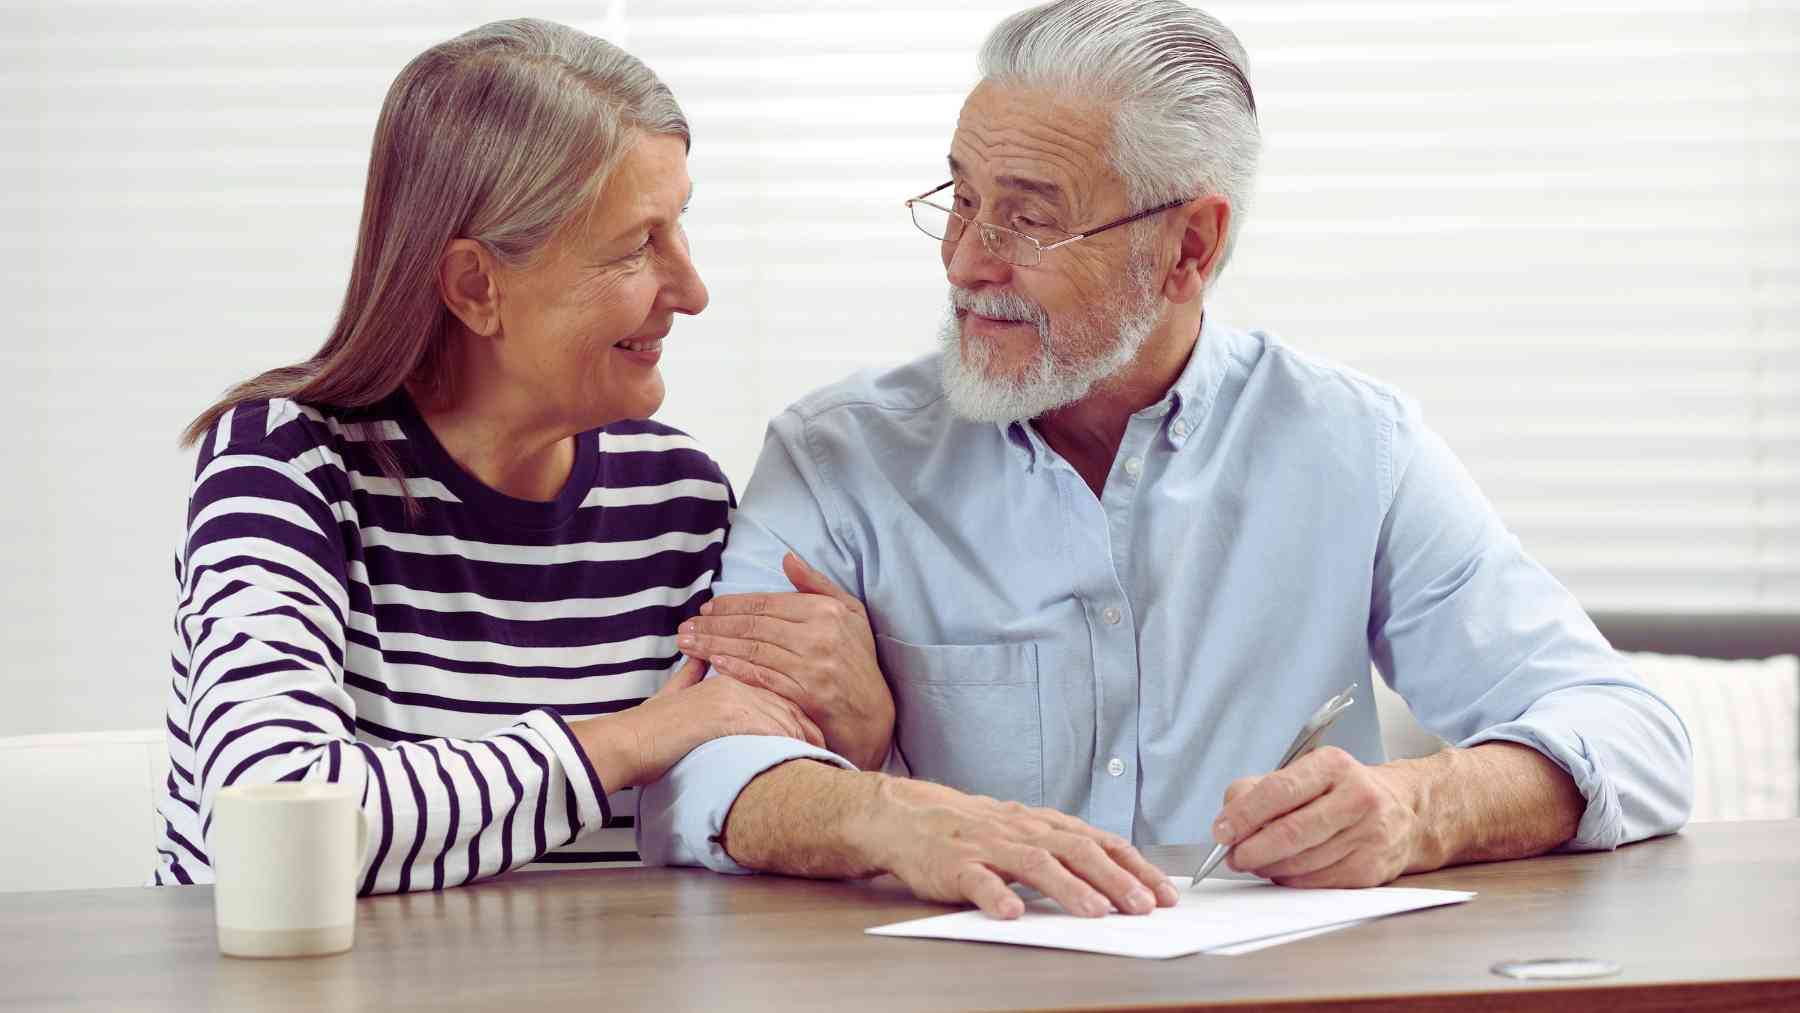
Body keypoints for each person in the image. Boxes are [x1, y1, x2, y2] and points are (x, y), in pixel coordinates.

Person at [641, 0, 1693, 921]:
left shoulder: (1353, 445)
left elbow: (1631, 733)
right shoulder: (837, 456)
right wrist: (891, 815)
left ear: (1190, 247)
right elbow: (702, 768)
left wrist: (1424, 805)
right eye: (960, 197)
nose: (967, 259)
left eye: (1028, 216)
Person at [153, 19, 830, 894]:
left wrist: (857, 714)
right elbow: (271, 815)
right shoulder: (287, 463)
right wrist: (630, 737)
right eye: (635, 246)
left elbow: (732, 793)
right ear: (477, 286)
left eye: (680, 228)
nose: (693, 292)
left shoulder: (680, 499)